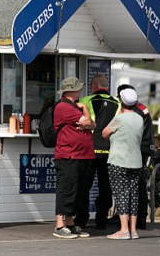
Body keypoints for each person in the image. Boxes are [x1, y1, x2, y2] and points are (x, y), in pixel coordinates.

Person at [53, 77, 96, 239]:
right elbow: (87, 121)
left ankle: (70, 224)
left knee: (78, 191)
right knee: (66, 189)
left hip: (82, 155)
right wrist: (85, 108)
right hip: (69, 155)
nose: (80, 91)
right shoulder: (64, 106)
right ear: (70, 90)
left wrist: (86, 120)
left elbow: (93, 125)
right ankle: (59, 225)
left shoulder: (72, 107)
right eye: (78, 88)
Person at [76, 74, 119, 230]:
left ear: (94, 85)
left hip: (90, 149)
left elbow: (79, 121)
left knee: (84, 186)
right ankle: (101, 220)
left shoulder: (85, 100)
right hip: (109, 150)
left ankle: (81, 220)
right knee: (105, 186)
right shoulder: (118, 102)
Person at [102, 88, 143, 240]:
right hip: (136, 161)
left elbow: (104, 133)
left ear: (121, 102)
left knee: (121, 195)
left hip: (119, 160)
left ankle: (124, 230)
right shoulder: (139, 118)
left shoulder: (119, 118)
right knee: (133, 195)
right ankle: (133, 230)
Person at [116, 83, 155, 230]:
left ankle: (135, 219)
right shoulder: (141, 108)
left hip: (136, 149)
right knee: (138, 185)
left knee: (132, 185)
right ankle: (140, 219)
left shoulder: (134, 111)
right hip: (144, 148)